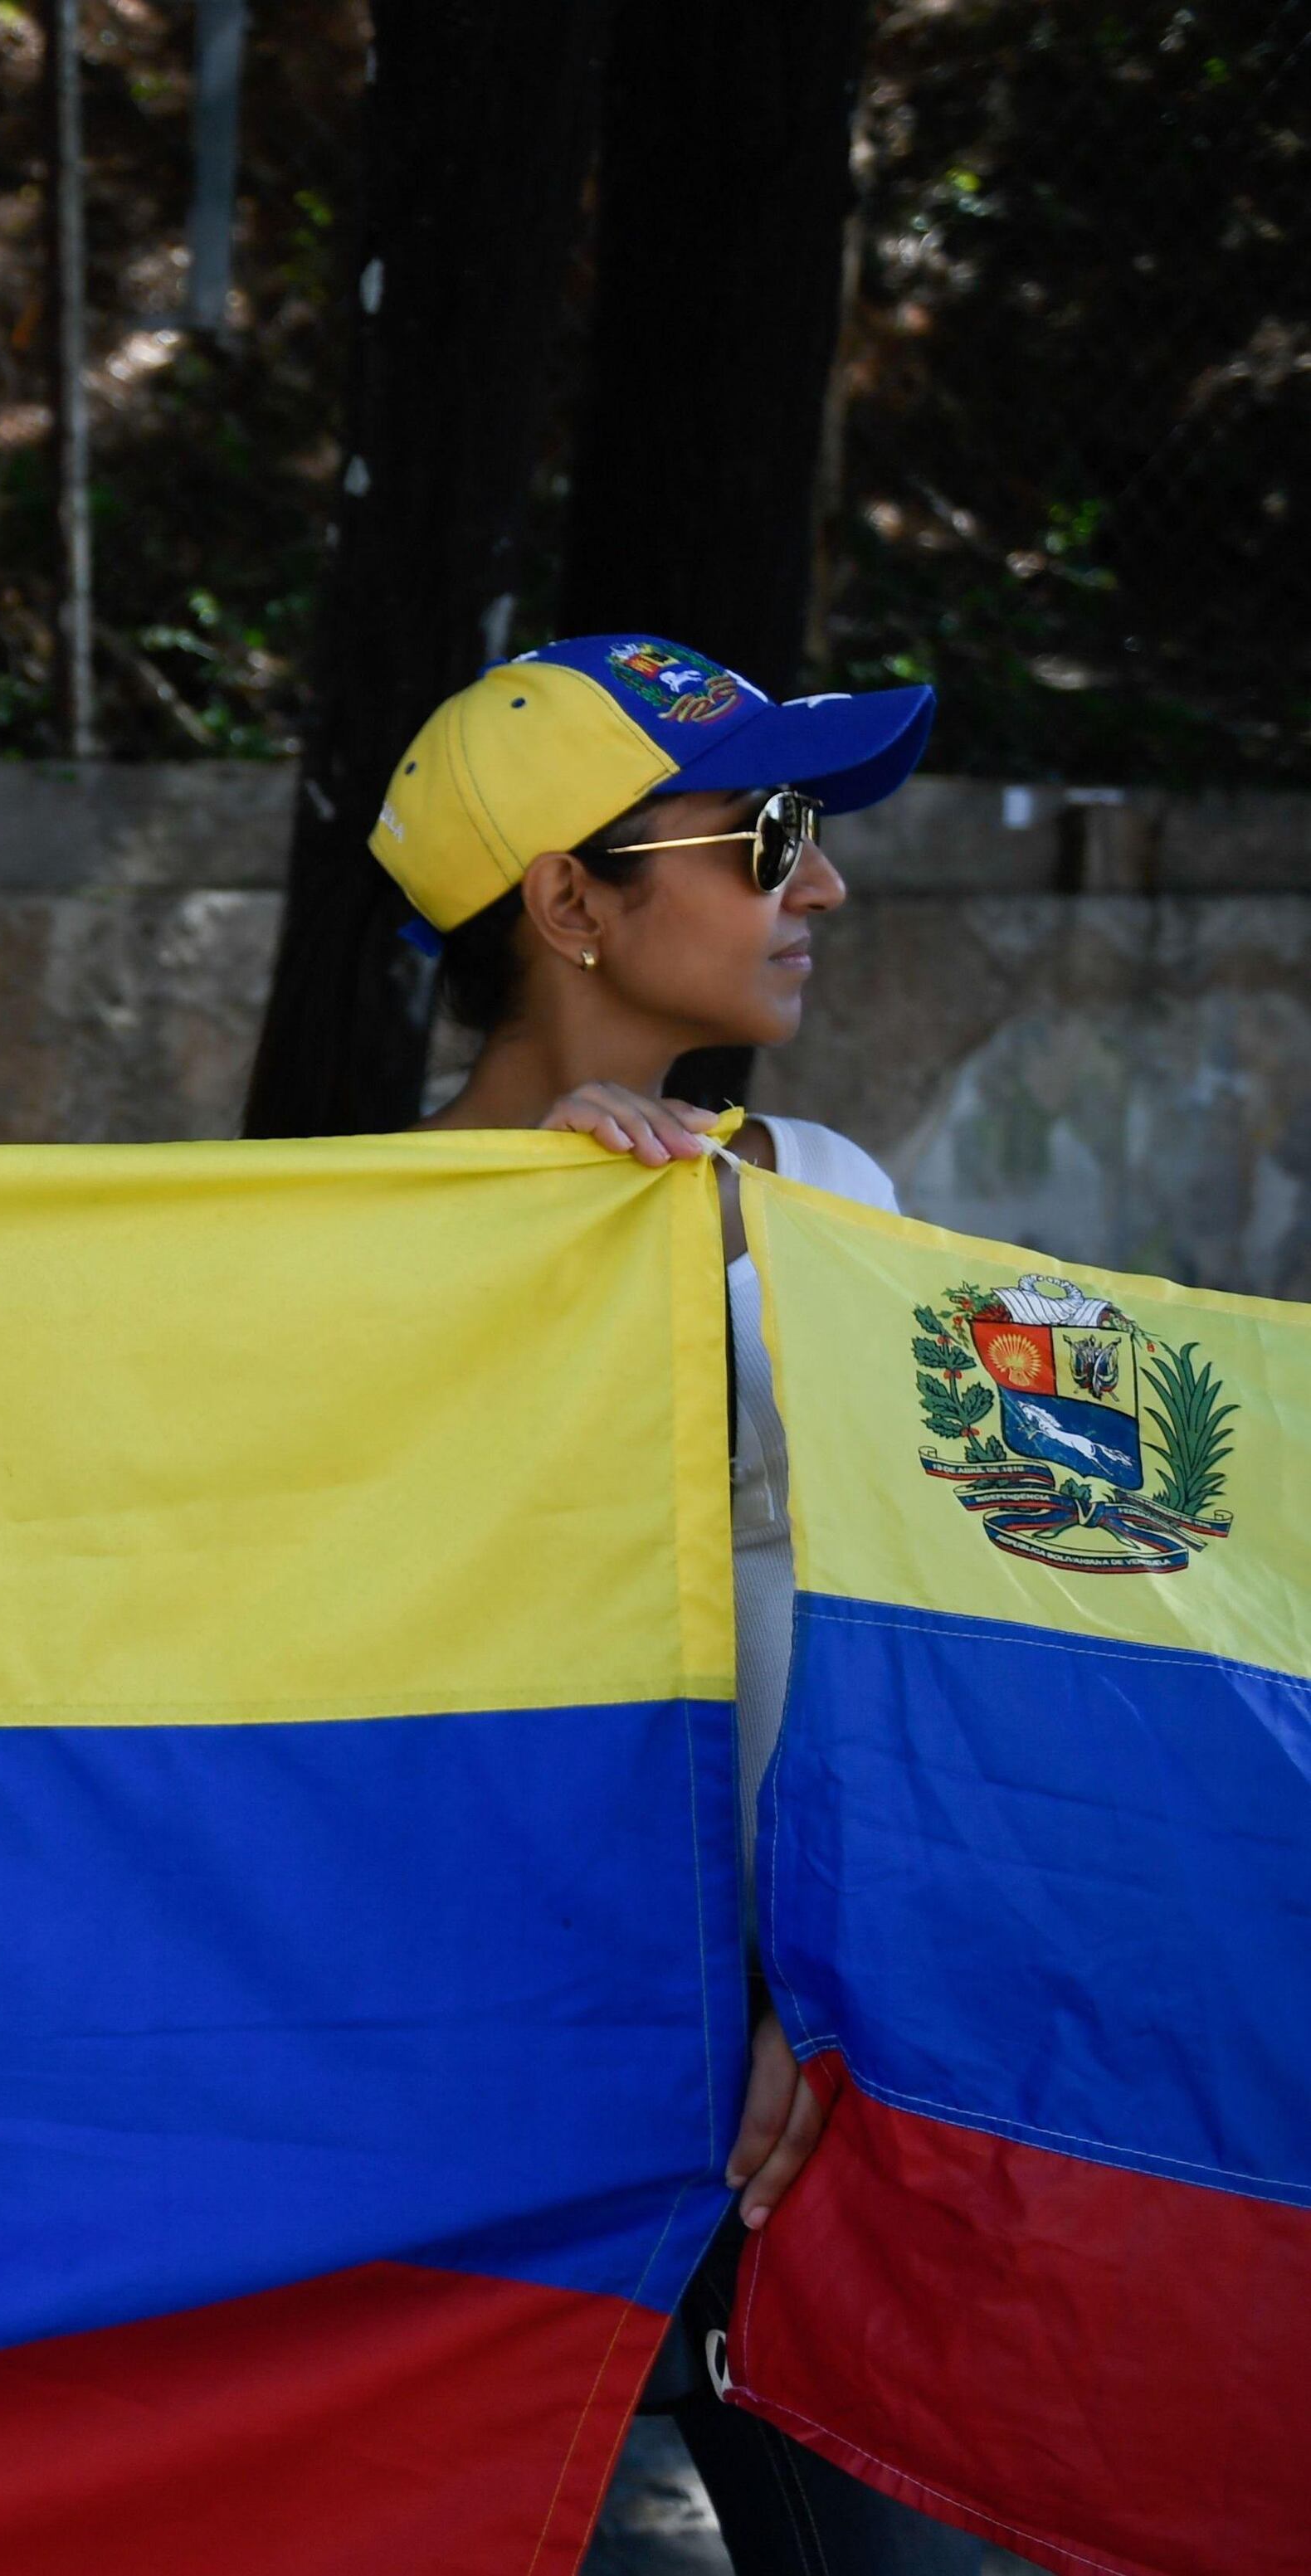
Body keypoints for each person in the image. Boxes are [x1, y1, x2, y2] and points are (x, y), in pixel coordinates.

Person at [370, 635, 985, 2576]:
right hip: (498, 2094)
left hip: (821, 2093)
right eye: (769, 835)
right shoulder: (340, 1254)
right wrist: (524, 1275)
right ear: (567, 898)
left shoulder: (835, 1189)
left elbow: (926, 1652)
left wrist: (821, 1987)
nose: (820, 886)